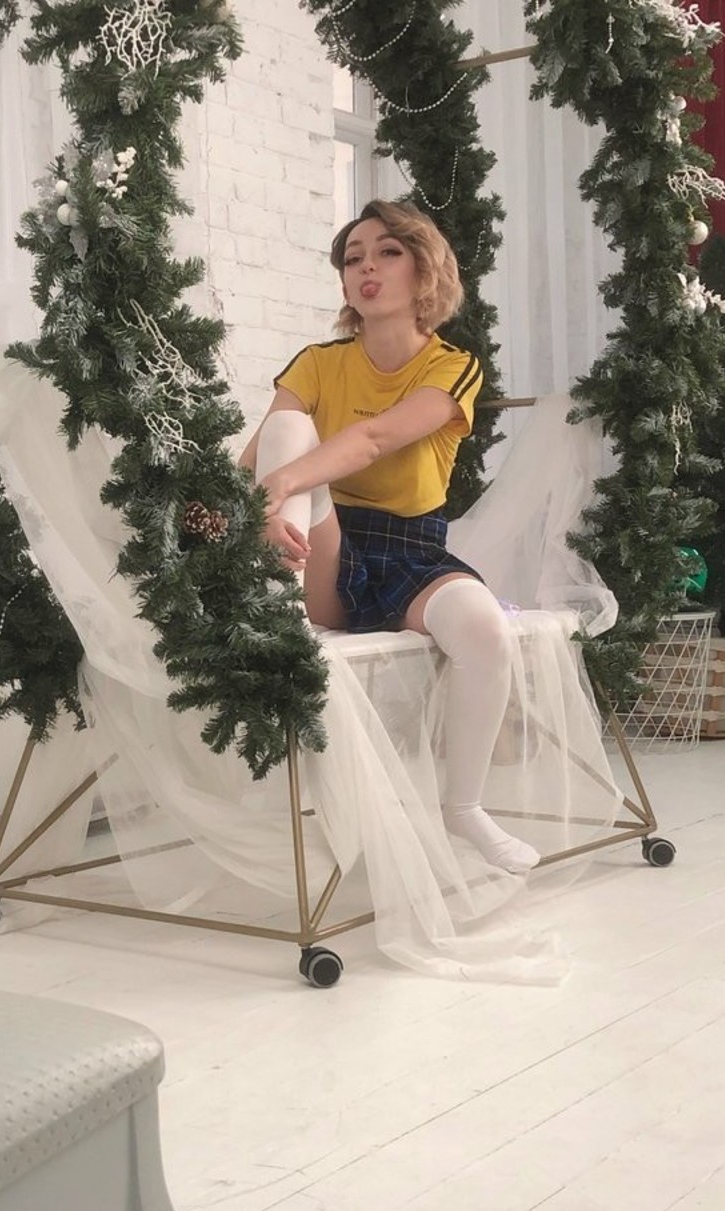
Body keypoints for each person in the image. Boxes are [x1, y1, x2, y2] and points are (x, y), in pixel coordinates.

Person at [238, 199, 539, 875]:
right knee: (287, 429)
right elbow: (254, 461)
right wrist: (260, 500)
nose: (367, 268)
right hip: (322, 545)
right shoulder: (318, 362)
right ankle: (278, 612)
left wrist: (277, 483)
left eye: (387, 253)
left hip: (411, 548)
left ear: (424, 269)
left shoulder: (453, 366)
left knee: (485, 630)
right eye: (353, 259)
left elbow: (375, 438)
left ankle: (463, 807)